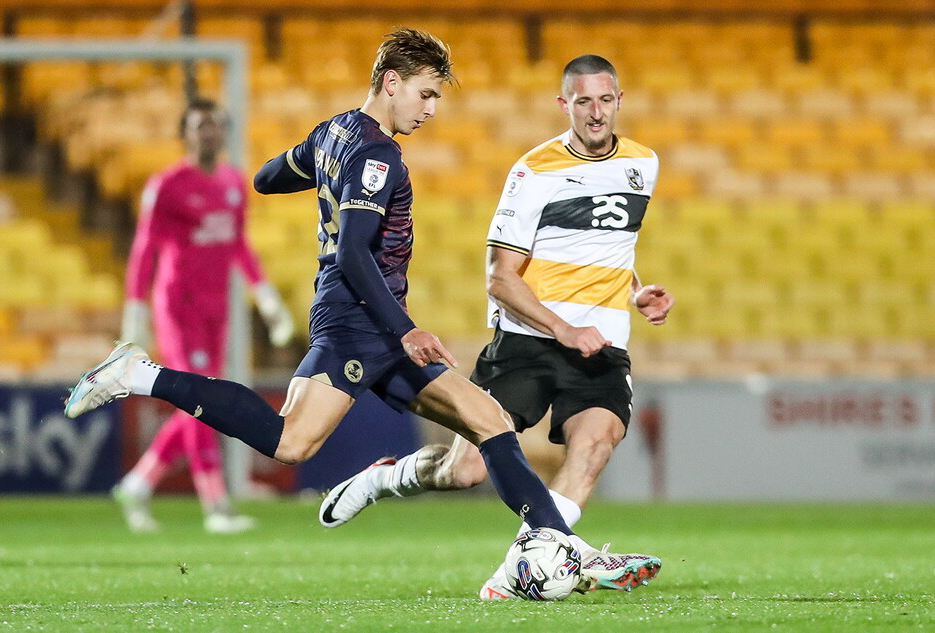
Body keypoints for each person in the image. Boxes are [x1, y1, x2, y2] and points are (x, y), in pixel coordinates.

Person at [64, 29, 635, 594]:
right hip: (361, 324)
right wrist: (406, 329)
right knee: (291, 443)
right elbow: (355, 251)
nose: (430, 109)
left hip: (365, 320)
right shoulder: (378, 154)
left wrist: (324, 166)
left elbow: (265, 178)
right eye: (426, 93)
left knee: (490, 422)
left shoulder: (335, 132)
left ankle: (558, 544)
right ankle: (138, 373)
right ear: (392, 82)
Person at [319, 54, 675, 599]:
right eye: (583, 102)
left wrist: (636, 290)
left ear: (620, 101)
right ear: (565, 105)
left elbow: (609, 245)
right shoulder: (533, 171)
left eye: (605, 100)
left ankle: (523, 569)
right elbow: (500, 278)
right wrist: (562, 328)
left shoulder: (643, 165)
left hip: (602, 346)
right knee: (465, 473)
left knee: (597, 440)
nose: (596, 113)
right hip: (529, 342)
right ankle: (385, 477)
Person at [111, 97, 295, 534]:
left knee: (198, 403)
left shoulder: (232, 183)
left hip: (217, 310)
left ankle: (139, 483)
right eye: (199, 126)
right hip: (179, 307)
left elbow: (237, 245)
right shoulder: (167, 185)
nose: (208, 133)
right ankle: (216, 505)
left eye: (214, 125)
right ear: (185, 134)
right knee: (202, 402)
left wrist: (266, 298)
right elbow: (144, 249)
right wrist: (135, 310)